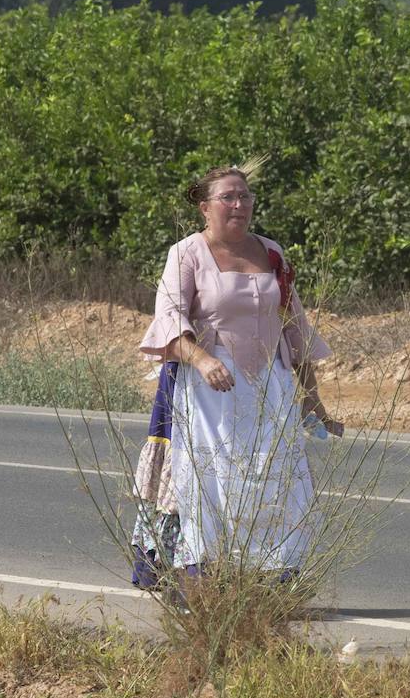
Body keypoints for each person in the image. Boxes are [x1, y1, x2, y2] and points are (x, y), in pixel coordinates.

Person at [136, 165, 339, 582]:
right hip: (209, 387)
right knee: (211, 481)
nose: (239, 204)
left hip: (270, 384)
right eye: (228, 197)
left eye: (244, 196)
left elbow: (294, 326)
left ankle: (275, 576)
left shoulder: (272, 252)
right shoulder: (186, 253)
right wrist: (203, 359)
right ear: (204, 206)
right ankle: (201, 575)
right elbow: (169, 321)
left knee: (277, 477)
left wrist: (313, 400)